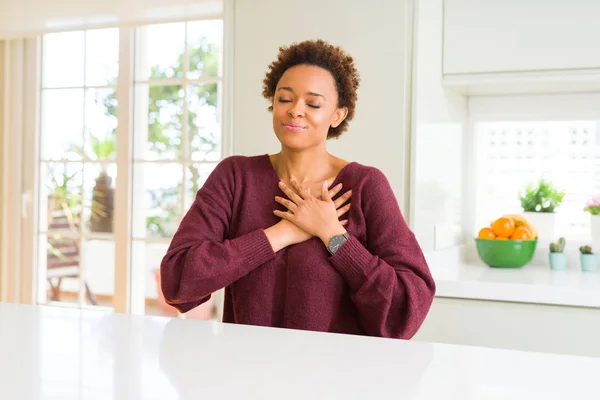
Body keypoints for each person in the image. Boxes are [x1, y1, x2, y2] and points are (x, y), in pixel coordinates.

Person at [160, 39, 436, 339]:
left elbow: (407, 308)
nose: (295, 111)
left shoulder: (366, 186)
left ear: (337, 115)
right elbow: (178, 281)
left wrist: (335, 237)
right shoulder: (235, 177)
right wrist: (282, 234)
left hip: (339, 381)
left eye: (313, 104)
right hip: (246, 376)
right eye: (285, 99)